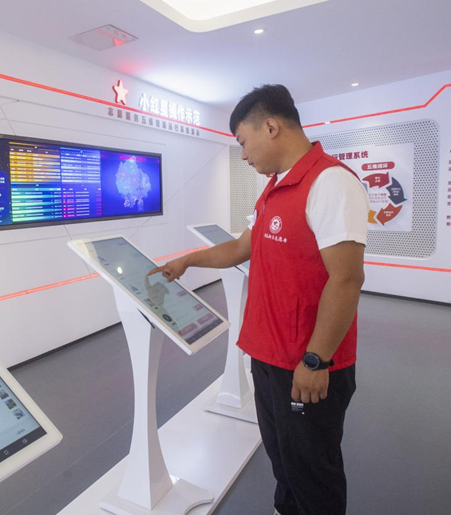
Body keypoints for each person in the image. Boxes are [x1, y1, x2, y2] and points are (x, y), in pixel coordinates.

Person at [150, 84, 369, 515]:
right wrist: (187, 261)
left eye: (243, 142)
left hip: (307, 363)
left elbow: (346, 280)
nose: (244, 155)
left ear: (270, 127)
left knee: (313, 470)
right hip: (268, 357)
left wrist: (316, 360)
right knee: (284, 461)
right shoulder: (273, 188)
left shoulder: (330, 182)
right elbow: (239, 248)